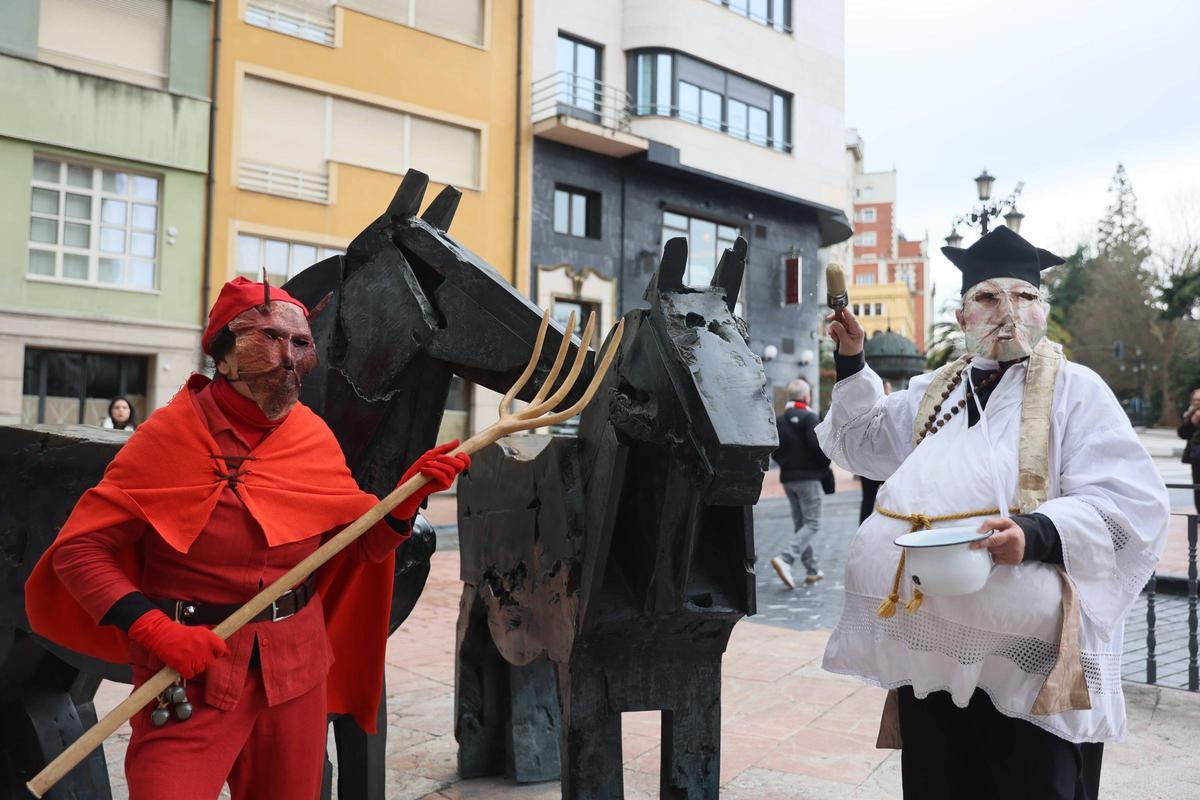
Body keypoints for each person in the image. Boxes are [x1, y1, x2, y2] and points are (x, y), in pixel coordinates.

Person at [25, 277, 470, 800]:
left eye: (301, 342)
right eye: (269, 337)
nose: (288, 356)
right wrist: (151, 628)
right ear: (224, 352)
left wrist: (404, 501)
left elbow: (360, 547)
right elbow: (80, 551)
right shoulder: (166, 435)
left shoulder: (311, 435)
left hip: (295, 671)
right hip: (188, 669)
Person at [815, 227, 1169, 799]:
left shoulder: (1076, 391)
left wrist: (1036, 532)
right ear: (962, 316)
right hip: (933, 648)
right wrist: (852, 359)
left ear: (1042, 310)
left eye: (1024, 296)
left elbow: (1131, 503)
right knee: (942, 780)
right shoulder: (937, 391)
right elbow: (861, 442)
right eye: (988, 297)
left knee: (1031, 781)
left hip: (1026, 658)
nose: (1008, 311)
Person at [769, 378, 829, 589]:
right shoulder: (809, 417)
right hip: (809, 478)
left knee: (801, 524)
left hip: (788, 479)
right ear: (806, 397)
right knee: (812, 523)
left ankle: (812, 570)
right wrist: (824, 466)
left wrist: (785, 463)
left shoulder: (780, 420)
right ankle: (786, 558)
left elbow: (773, 448)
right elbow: (817, 445)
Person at [1176, 387, 1200, 511]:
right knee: (1197, 487)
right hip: (1196, 457)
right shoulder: (1189, 415)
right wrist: (1192, 422)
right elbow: (1182, 434)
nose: (1196, 402)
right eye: (1194, 400)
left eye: (1199, 400)